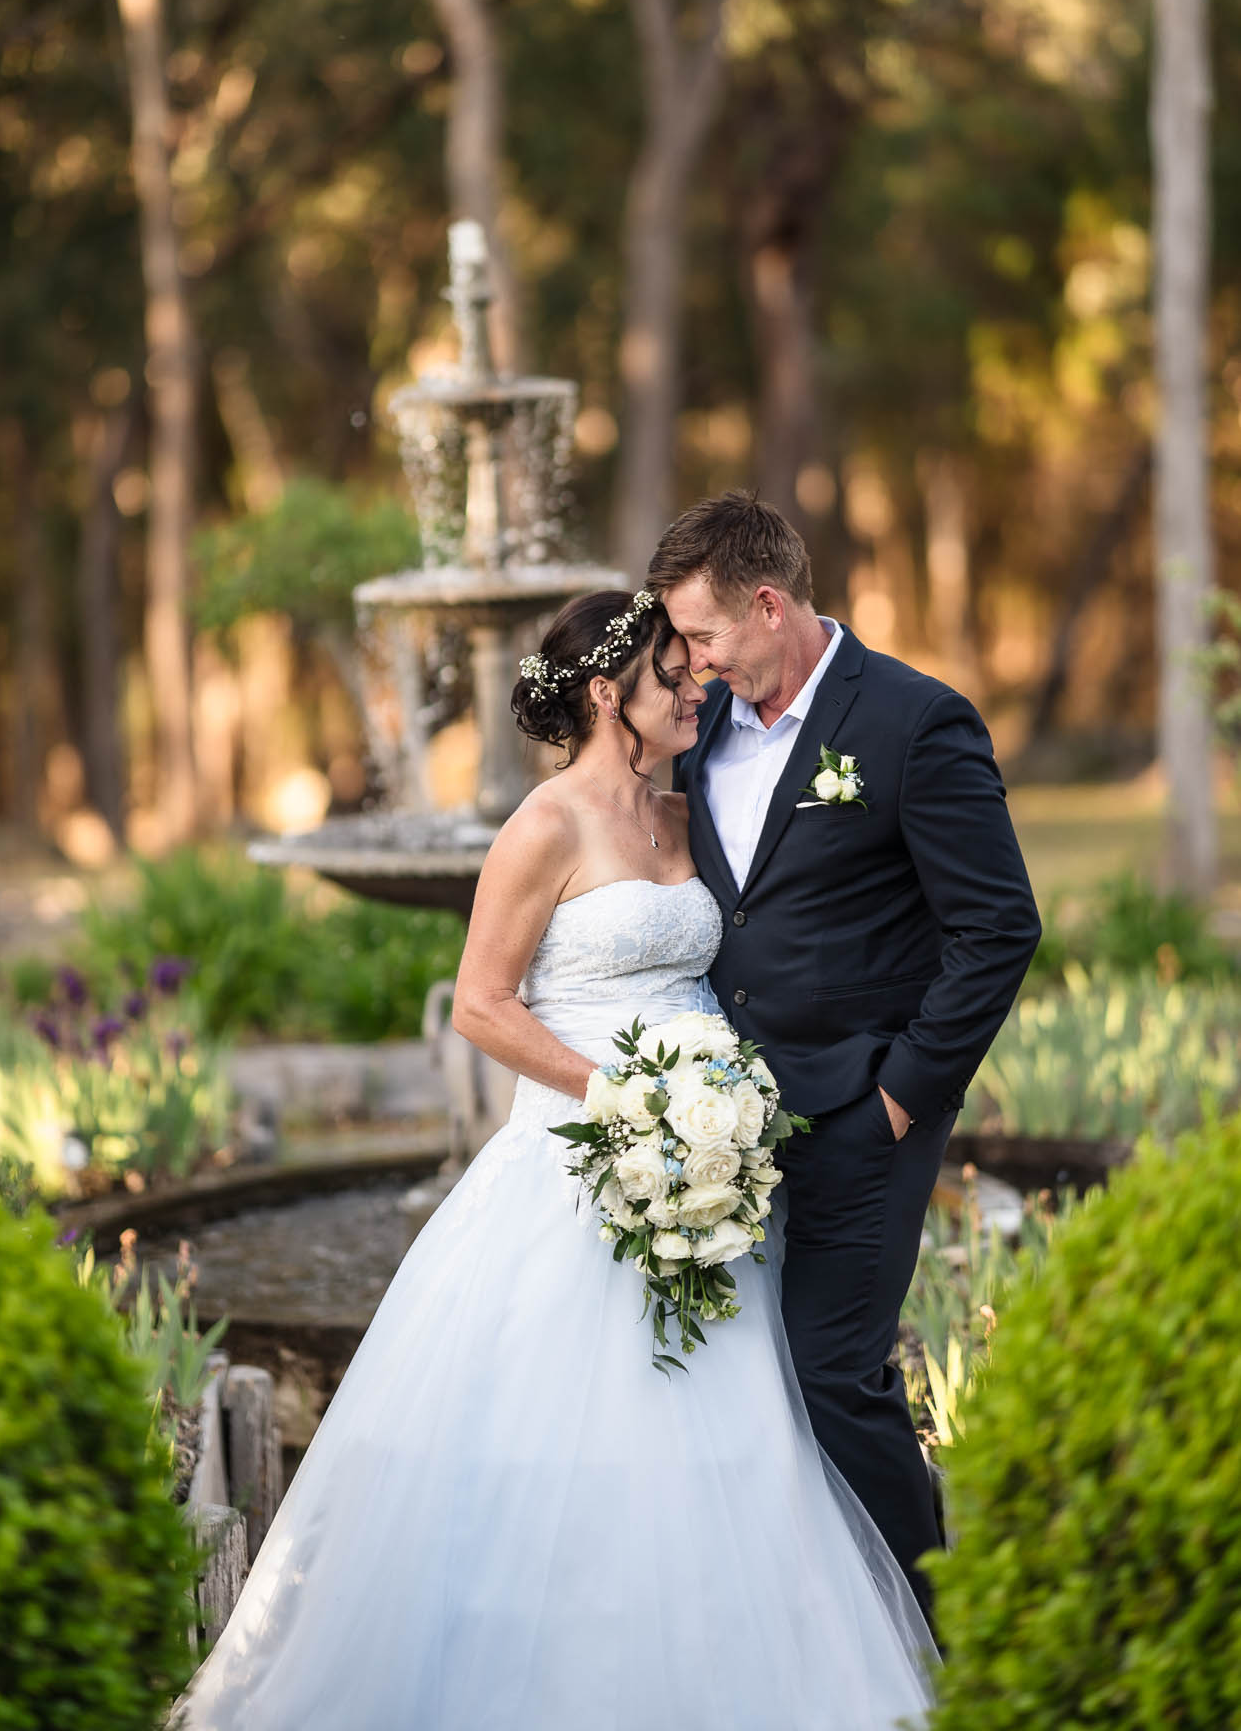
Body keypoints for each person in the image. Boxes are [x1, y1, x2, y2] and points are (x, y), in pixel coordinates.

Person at [173, 587, 936, 1731]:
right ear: (603, 694)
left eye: (691, 668)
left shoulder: (684, 815)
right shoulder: (540, 825)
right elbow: (481, 1004)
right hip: (581, 1164)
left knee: (750, 1437)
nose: (693, 689)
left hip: (711, 1174)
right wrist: (630, 1096)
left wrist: (708, 1113)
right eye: (671, 675)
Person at [647, 492, 1042, 1622]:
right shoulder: (708, 727)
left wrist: (902, 1096)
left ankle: (944, 1624)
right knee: (740, 1382)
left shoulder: (916, 721)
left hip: (862, 1116)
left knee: (833, 1374)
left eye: (708, 637)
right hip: (718, 1130)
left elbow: (996, 928)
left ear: (767, 604)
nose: (697, 663)